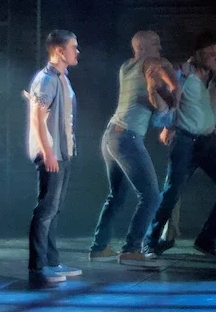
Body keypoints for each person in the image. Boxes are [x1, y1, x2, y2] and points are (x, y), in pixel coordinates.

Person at [146, 31, 216, 260]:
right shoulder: (181, 72)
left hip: (208, 142)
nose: (215, 57)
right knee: (171, 193)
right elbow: (164, 97)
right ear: (198, 52)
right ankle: (150, 243)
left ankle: (206, 241)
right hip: (185, 141)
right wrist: (167, 123)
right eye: (211, 53)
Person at [88, 31, 178, 267]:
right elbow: (176, 91)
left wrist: (154, 92)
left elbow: (146, 97)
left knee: (116, 195)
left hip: (110, 137)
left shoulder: (125, 67)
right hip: (127, 138)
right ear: (142, 48)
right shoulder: (157, 63)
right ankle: (131, 248)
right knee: (151, 196)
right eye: (154, 43)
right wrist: (170, 100)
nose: (160, 46)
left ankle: (99, 246)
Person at [26, 30, 83, 287]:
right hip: (51, 154)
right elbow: (36, 119)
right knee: (46, 209)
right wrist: (48, 152)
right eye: (74, 47)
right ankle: (38, 266)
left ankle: (52, 261)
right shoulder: (47, 79)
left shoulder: (63, 78)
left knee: (53, 210)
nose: (77, 52)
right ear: (60, 50)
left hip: (63, 152)